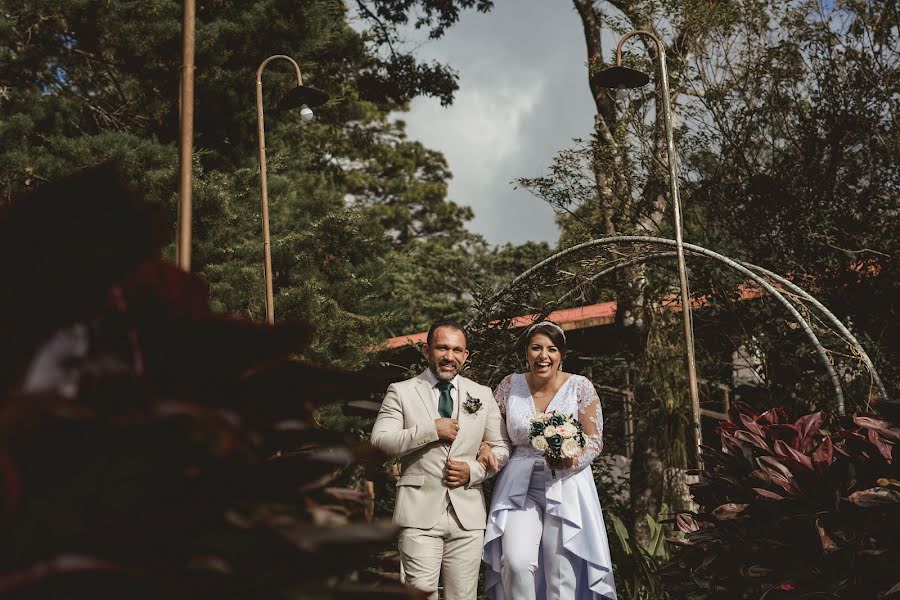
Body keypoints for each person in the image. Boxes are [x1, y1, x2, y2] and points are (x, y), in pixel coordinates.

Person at [371, 320, 510, 600]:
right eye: (442, 348)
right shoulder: (402, 391)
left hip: (467, 518)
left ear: (465, 355)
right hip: (418, 516)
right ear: (427, 351)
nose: (449, 356)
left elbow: (502, 447)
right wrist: (431, 430)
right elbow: (379, 443)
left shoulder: (481, 394)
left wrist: (473, 471)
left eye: (457, 350)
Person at [479, 320, 616, 600]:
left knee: (561, 572)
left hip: (567, 486)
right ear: (526, 352)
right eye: (536, 348)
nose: (544, 356)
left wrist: (572, 459)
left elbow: (594, 440)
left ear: (561, 355)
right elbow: (491, 433)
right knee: (516, 562)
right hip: (518, 489)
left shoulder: (580, 387)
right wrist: (483, 446)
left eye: (551, 349)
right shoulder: (508, 386)